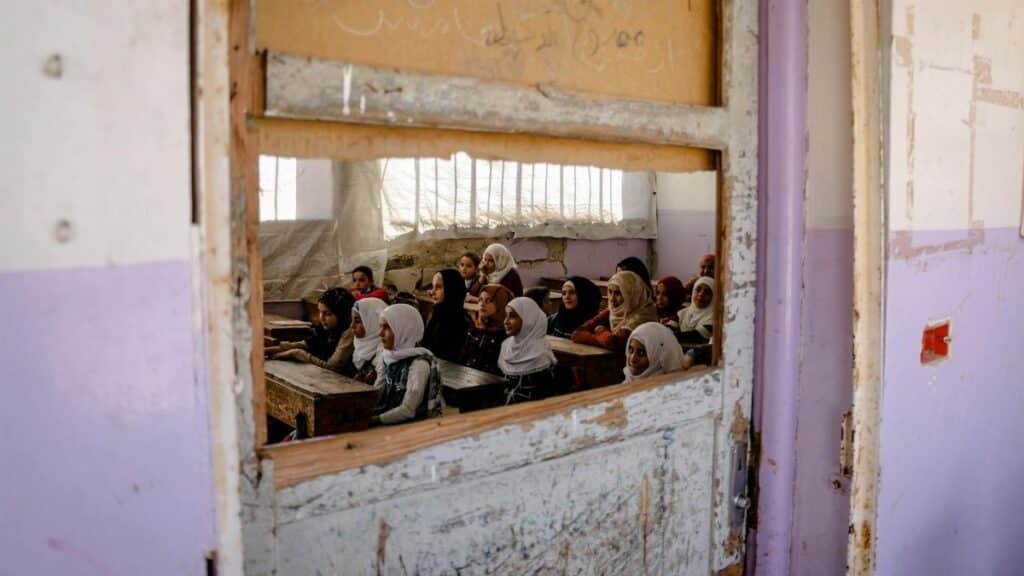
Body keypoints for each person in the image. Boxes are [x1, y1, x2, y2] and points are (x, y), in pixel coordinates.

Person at [370, 304, 443, 425]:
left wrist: (376, 420)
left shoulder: (419, 364)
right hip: (388, 416)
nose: (380, 333)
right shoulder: (388, 355)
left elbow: (408, 410)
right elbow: (378, 389)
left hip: (411, 426)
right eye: (381, 327)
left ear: (404, 329)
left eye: (387, 327)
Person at [268, 287, 356, 375]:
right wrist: (265, 351)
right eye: (320, 312)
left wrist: (296, 353)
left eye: (327, 314)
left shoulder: (350, 332)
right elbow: (307, 344)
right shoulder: (326, 329)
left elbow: (332, 367)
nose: (321, 318)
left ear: (342, 314)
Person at [571, 271, 657, 354]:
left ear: (632, 294)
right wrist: (601, 338)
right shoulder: (612, 310)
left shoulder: (644, 315)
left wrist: (600, 331)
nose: (612, 299)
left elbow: (615, 342)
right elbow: (577, 333)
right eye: (610, 292)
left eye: (618, 293)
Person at [499, 297, 557, 404]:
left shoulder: (540, 354)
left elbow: (538, 399)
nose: (506, 321)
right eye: (505, 316)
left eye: (512, 316)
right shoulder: (506, 345)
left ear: (528, 320)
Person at [459, 284, 514, 374]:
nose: (482, 304)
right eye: (480, 300)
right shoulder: (473, 327)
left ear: (501, 304)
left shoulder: (506, 335)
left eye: (488, 301)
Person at [420, 269, 468, 362]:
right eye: (432, 286)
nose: (432, 292)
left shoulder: (458, 322)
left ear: (451, 289)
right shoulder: (437, 314)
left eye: (438, 287)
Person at [350, 297, 387, 383]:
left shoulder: (383, 355)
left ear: (375, 322)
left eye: (358, 321)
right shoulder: (359, 344)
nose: (352, 325)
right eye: (351, 320)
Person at [677, 276, 715, 345]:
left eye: (707, 292)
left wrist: (671, 335)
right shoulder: (682, 313)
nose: (701, 294)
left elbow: (695, 337)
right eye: (698, 289)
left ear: (713, 297)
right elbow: (668, 328)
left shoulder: (714, 319)